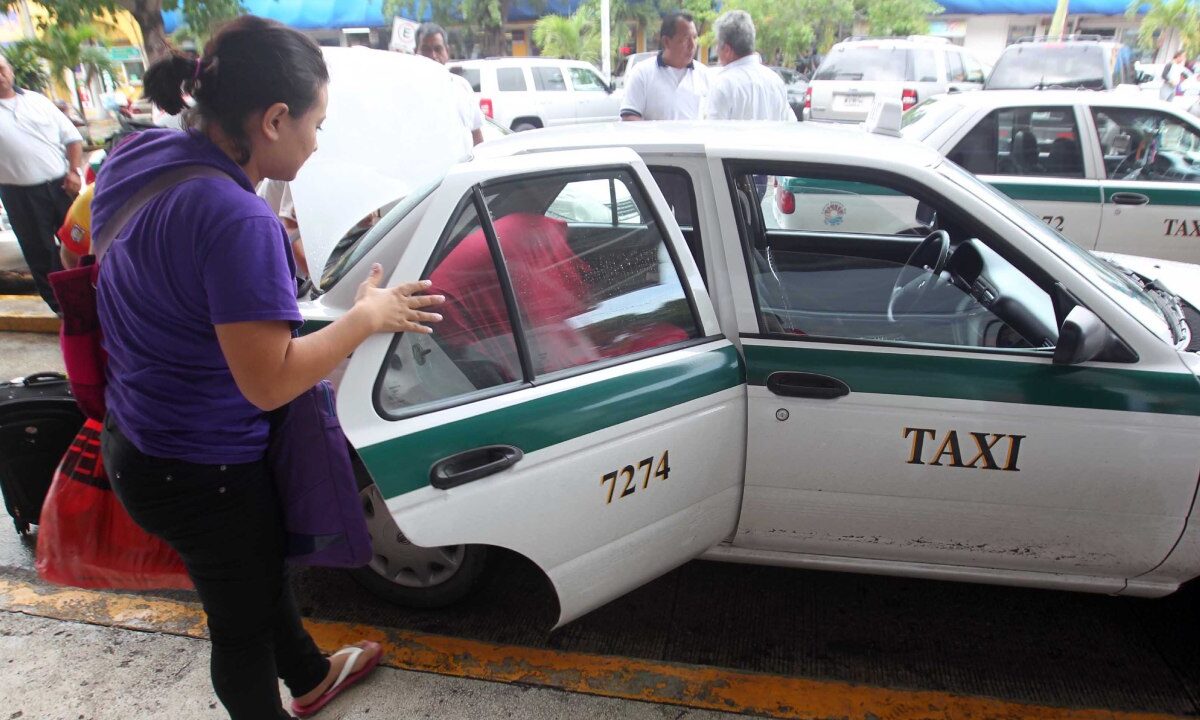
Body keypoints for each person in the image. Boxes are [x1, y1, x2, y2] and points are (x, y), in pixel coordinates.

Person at [92, 16, 444, 720]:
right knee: (240, 627)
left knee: (253, 578)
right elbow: (270, 380)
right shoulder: (233, 217)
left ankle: (310, 678)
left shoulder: (140, 155)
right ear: (275, 119)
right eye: (317, 124)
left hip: (140, 432)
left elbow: (180, 282)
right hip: (200, 467)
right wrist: (363, 319)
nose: (319, 142)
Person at [0, 53, 84, 313]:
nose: (0, 76)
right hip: (18, 193)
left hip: (60, 186)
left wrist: (74, 172)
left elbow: (72, 138)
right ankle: (61, 307)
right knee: (41, 252)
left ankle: (94, 292)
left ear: (11, 71)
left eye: (2, 69)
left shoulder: (37, 101)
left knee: (80, 240)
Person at [620, 10, 710, 121]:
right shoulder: (642, 73)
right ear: (666, 41)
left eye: (695, 38)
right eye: (686, 39)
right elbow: (629, 116)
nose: (692, 45)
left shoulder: (705, 75)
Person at [706, 10, 794, 122]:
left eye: (717, 45)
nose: (716, 50)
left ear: (727, 49)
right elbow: (790, 125)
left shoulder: (723, 85)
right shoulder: (776, 82)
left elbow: (712, 133)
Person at [416, 22, 485, 147]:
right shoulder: (410, 91)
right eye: (426, 49)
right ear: (416, 52)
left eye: (438, 49)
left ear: (447, 51)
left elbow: (477, 136)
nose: (433, 56)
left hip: (464, 165)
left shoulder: (462, 86)